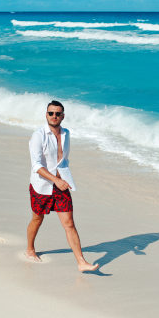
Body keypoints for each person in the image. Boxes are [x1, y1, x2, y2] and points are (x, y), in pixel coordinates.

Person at [26, 100, 99, 272]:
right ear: (46, 115)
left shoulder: (66, 134)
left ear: (63, 116)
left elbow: (64, 160)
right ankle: (30, 248)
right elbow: (36, 166)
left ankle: (81, 262)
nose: (54, 116)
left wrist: (65, 179)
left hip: (60, 186)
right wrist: (55, 179)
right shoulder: (39, 136)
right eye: (51, 113)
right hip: (41, 186)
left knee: (69, 224)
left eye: (57, 114)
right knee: (37, 218)